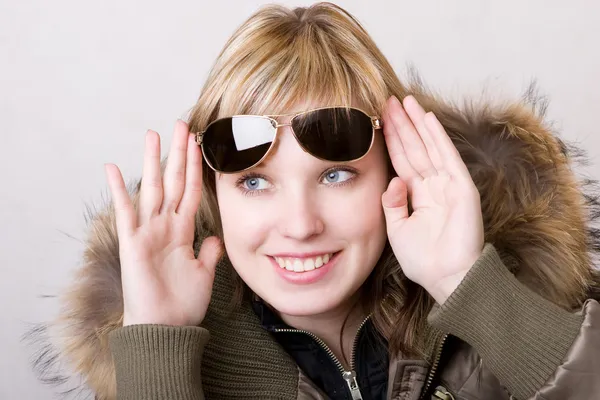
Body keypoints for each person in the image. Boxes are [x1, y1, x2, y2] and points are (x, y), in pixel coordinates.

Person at [30, 2, 600, 399]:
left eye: (335, 176)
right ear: (214, 195)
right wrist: (156, 347)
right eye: (255, 181)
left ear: (394, 171)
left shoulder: (506, 300)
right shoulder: (172, 359)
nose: (299, 225)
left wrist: (467, 283)